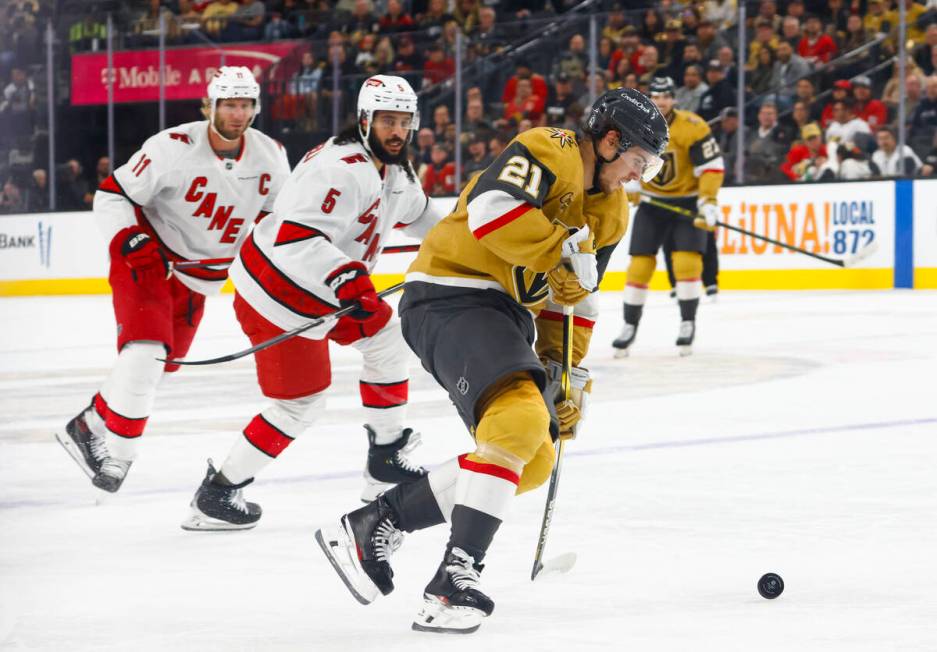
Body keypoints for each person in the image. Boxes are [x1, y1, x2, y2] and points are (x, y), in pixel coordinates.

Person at [315, 89, 668, 633]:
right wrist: (558, 248)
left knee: (533, 458)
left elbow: (574, 295)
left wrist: (563, 372)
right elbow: (490, 212)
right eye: (637, 161)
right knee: (520, 421)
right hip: (449, 292)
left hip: (503, 314)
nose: (636, 175)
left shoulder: (612, 211)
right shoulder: (548, 150)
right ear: (611, 139)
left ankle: (376, 521)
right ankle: (455, 579)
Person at [181, 75, 444, 530]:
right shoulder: (338, 168)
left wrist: (469, 241)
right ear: (364, 121)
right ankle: (217, 493)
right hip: (276, 295)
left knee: (386, 340)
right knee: (298, 404)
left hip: (329, 290)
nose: (397, 130)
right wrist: (347, 277)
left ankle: (385, 456)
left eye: (405, 120)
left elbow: (423, 219)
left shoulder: (395, 173)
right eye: (386, 120)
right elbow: (294, 237)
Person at [56, 67, 290, 493]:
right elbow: (113, 193)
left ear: (255, 107)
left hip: (200, 280)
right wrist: (131, 240)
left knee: (155, 369)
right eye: (228, 104)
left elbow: (278, 225)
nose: (237, 114)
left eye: (245, 105)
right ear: (209, 105)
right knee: (145, 354)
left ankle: (88, 424)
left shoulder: (271, 156)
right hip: (149, 261)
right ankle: (120, 459)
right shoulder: (173, 146)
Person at [613, 76, 724, 357]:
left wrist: (708, 200)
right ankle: (629, 326)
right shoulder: (637, 124)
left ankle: (688, 322)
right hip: (654, 205)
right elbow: (623, 156)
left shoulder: (693, 127)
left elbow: (711, 166)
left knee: (687, 263)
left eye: (666, 96)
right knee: (639, 266)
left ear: (673, 98)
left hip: (686, 203)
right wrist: (633, 182)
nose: (661, 102)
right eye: (656, 96)